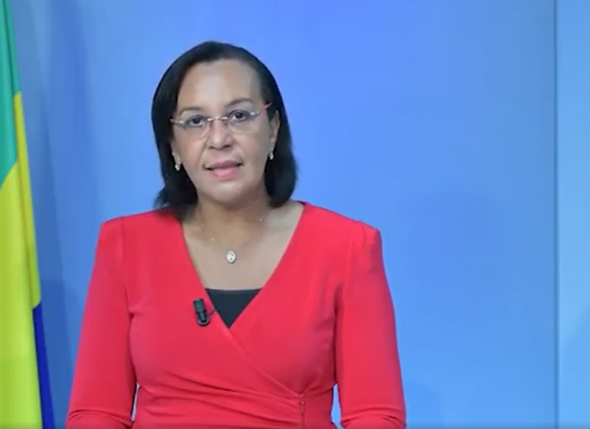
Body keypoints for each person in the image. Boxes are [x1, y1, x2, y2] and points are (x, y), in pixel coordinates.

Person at [66, 40, 406, 429]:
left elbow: (375, 415)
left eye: (239, 116)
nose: (219, 139)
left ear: (273, 129)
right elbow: (97, 413)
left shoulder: (347, 248)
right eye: (196, 121)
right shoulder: (125, 246)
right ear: (173, 146)